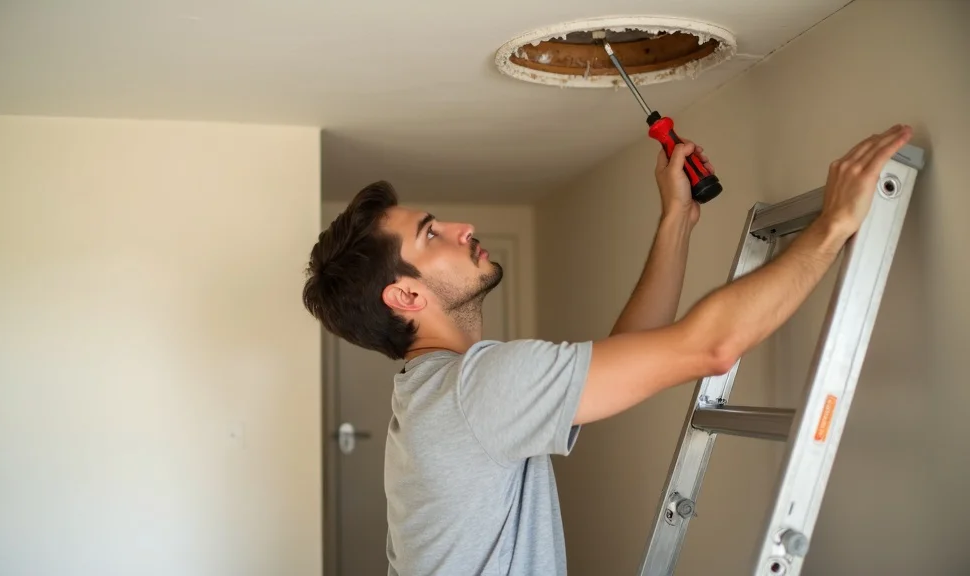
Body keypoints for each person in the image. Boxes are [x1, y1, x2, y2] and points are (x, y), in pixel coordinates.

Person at [301, 124, 913, 575]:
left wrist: (676, 218)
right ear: (406, 296)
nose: (462, 228)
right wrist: (833, 226)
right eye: (430, 233)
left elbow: (632, 351)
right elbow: (711, 348)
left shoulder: (439, 391)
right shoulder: (475, 387)